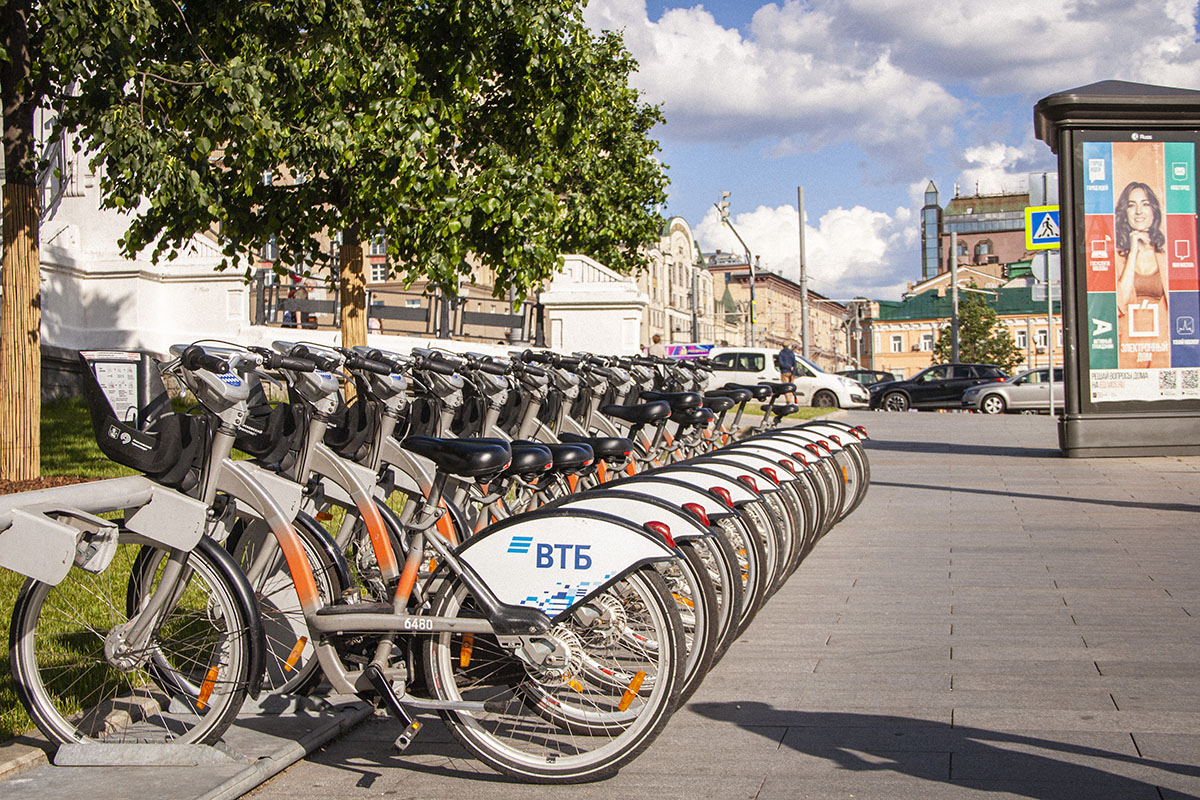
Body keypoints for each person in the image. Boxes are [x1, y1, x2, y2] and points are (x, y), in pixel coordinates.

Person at [1115, 181, 1170, 369]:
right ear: (1125, 213)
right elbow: (1117, 304)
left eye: (1145, 204)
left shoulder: (1167, 253)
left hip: (1162, 348)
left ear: (1154, 210)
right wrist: (1132, 253)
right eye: (1132, 205)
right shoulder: (1116, 255)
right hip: (1127, 348)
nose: (1139, 211)